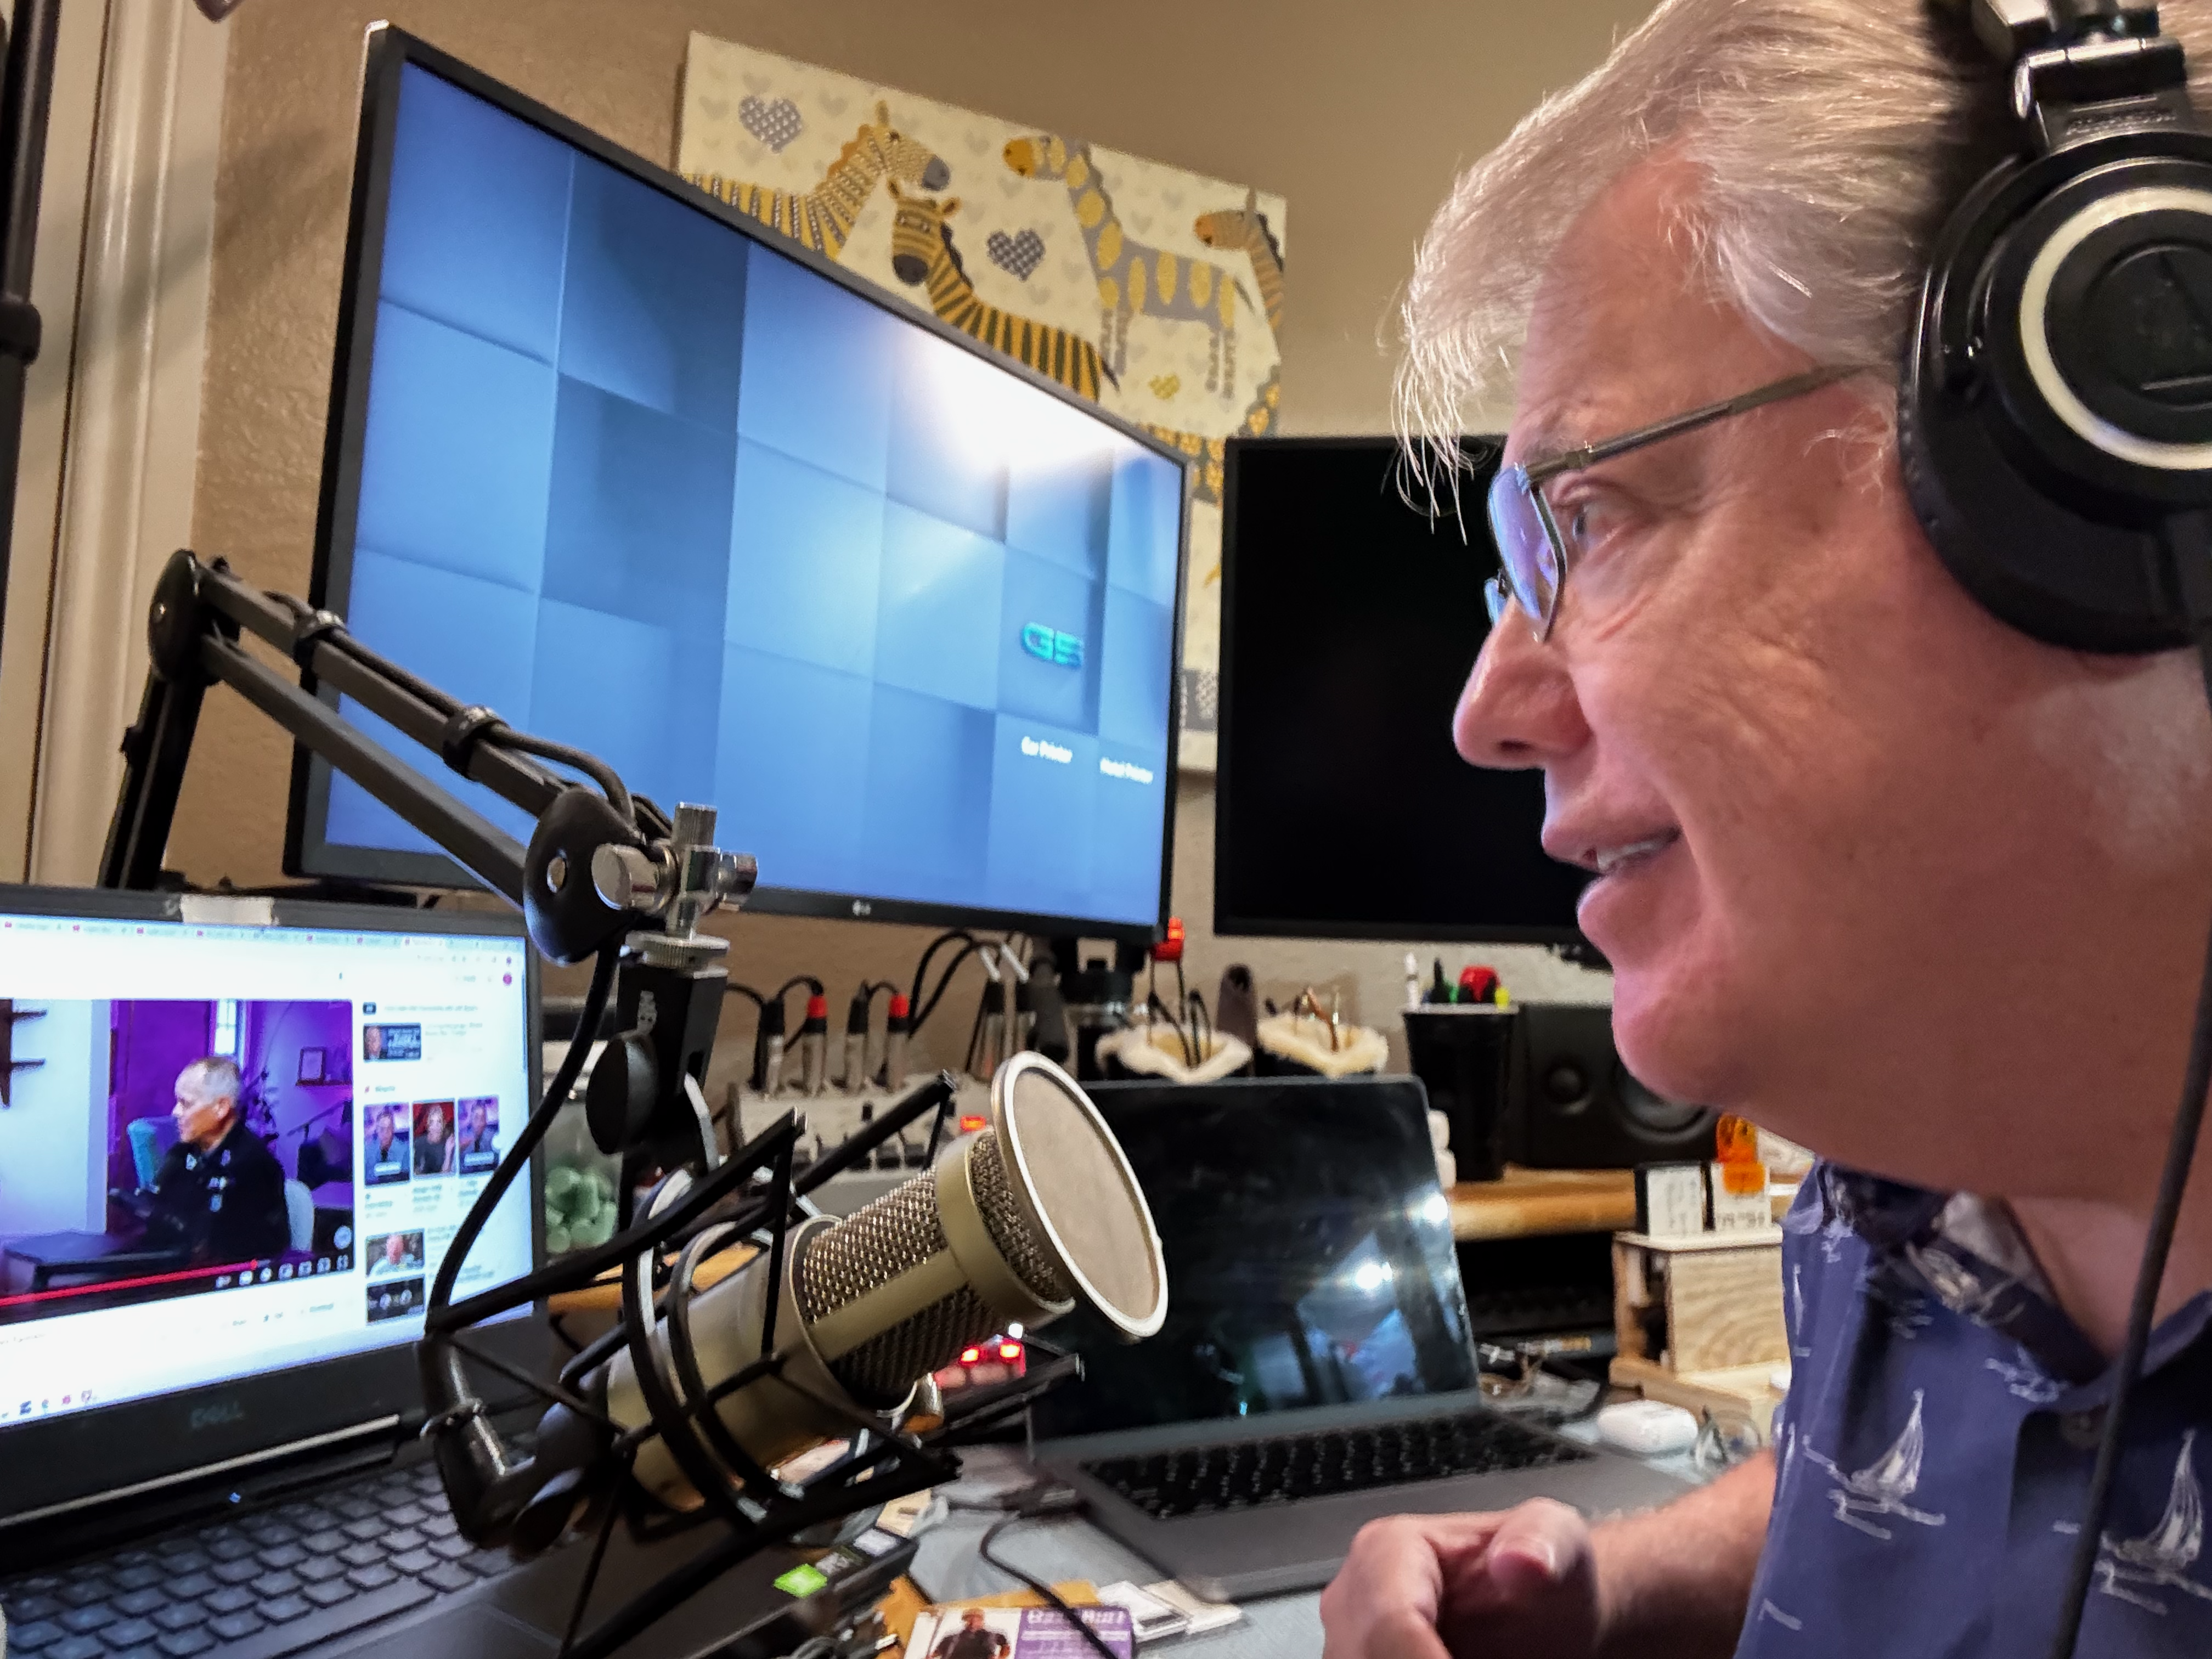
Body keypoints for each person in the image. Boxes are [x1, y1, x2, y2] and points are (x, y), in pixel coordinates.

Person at [1318, 3, 2212, 1656]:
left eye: (1588, 518)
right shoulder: (1894, 1183)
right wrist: (1626, 1588)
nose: (1486, 710)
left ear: (2102, 472)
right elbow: (1906, 1477)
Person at [142, 1057, 291, 1266]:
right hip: (174, 1266)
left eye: (186, 1104)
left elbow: (240, 1250)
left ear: (221, 1107)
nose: (175, 1112)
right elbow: (156, 1217)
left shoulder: (255, 1166)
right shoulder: (181, 1153)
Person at [929, 1609, 1009, 1659]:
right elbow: (935, 1653)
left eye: (977, 1619)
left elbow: (1005, 1646)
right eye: (970, 1619)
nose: (973, 1622)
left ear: (982, 1621)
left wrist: (1001, 1658)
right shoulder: (950, 1639)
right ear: (965, 1621)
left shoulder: (992, 1636)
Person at [413, 1101, 455, 1177]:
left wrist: (448, 1152)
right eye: (432, 1122)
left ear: (443, 1125)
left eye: (439, 1122)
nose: (435, 1127)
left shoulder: (447, 1144)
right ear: (428, 1125)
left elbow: (445, 1177)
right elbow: (416, 1173)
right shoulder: (418, 1143)